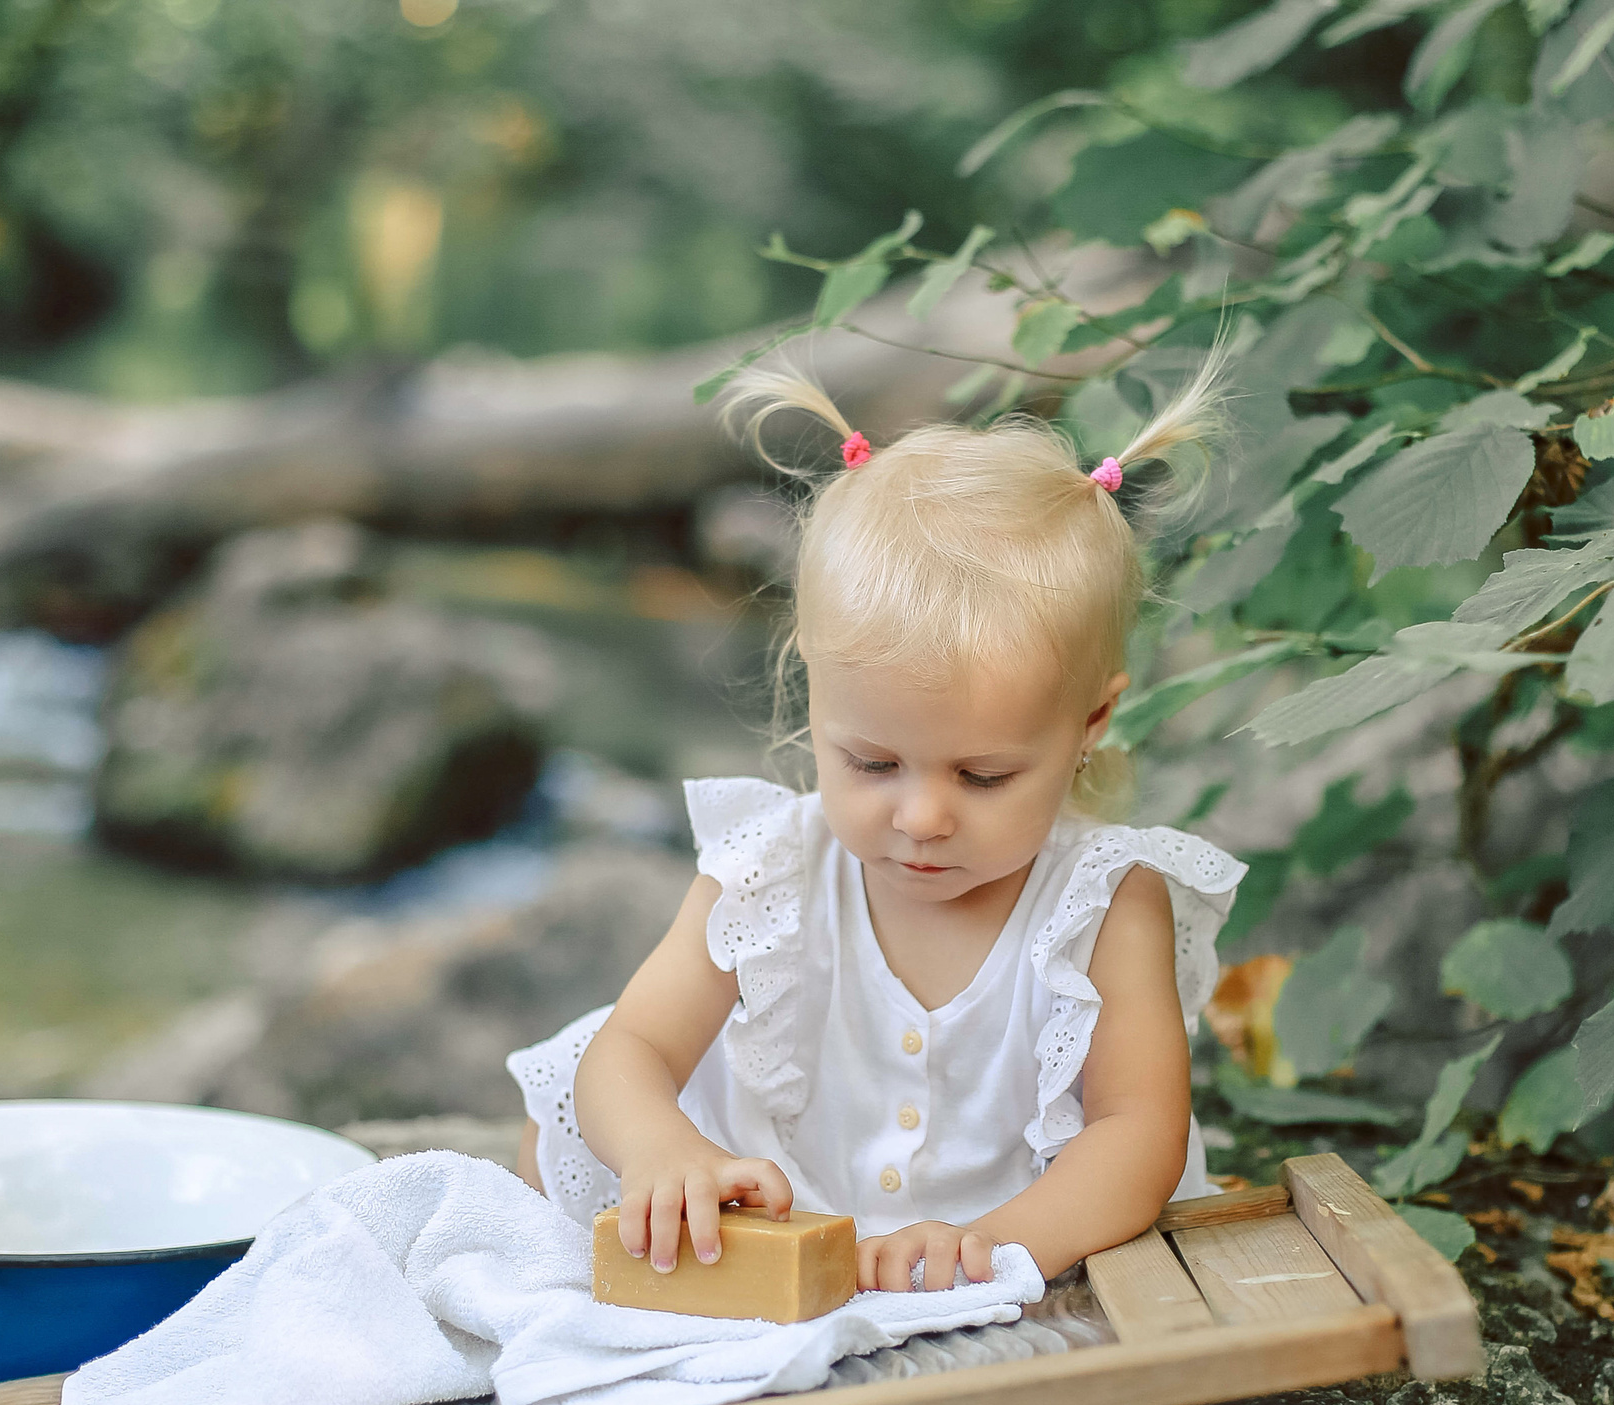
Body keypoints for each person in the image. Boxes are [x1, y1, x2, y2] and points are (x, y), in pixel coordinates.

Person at [507, 360, 1245, 1293]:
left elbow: (1137, 1135)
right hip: (772, 1203)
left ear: (1091, 722)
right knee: (564, 1111)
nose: (924, 817)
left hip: (1008, 1216)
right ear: (816, 693)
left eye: (983, 775)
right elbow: (633, 1049)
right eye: (872, 763)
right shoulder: (772, 864)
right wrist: (667, 1151)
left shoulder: (1102, 902)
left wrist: (990, 1243)